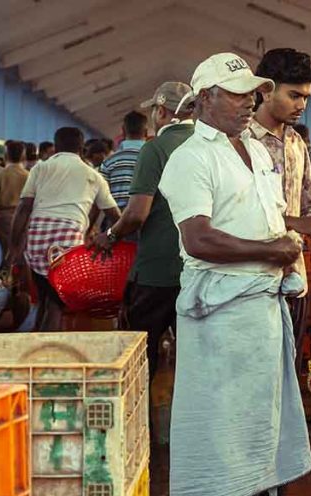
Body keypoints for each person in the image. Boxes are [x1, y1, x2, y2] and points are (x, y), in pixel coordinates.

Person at [158, 52, 311, 496]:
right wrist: (272, 250)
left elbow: (264, 218)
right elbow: (198, 238)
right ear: (203, 100)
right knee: (204, 435)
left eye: (252, 92)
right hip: (217, 317)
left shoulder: (257, 152)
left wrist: (292, 235)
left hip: (259, 314)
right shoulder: (189, 158)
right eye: (236, 92)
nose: (249, 100)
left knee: (253, 434)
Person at [251, 47, 311, 496]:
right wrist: (296, 224)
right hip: (256, 283)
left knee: (286, 395)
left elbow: (308, 198)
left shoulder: (297, 143)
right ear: (265, 89)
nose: (302, 104)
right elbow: (243, 216)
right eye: (294, 94)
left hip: (293, 281)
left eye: (306, 95)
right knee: (261, 398)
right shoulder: (242, 145)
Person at [91, 83, 195, 382]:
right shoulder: (210, 145)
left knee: (139, 355)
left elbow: (137, 214)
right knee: (193, 360)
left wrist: (109, 235)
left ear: (161, 111)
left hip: (158, 270)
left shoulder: (157, 148)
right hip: (200, 269)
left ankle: (142, 423)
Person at [8, 126, 120, 331]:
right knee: (56, 304)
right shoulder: (93, 176)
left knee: (43, 299)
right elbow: (115, 216)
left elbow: (24, 208)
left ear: (56, 146)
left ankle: (35, 348)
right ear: (82, 149)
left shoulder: (40, 169)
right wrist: (109, 237)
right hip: (68, 241)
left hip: (37, 239)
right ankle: (47, 356)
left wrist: (14, 247)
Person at [99, 111, 149, 210]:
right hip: (148, 216)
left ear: (123, 130)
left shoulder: (109, 162)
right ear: (146, 131)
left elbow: (101, 196)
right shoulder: (155, 157)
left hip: (117, 217)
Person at [0, 140, 30, 250]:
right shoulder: (29, 176)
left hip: (2, 219)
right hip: (23, 221)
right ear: (23, 156)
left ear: (6, 155)